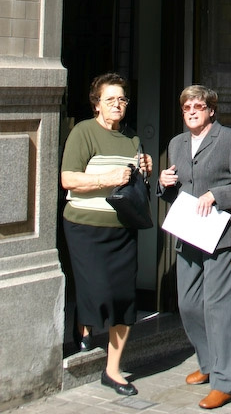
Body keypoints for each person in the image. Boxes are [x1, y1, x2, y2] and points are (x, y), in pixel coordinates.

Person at [158, 85, 231, 410]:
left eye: (198, 107)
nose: (191, 112)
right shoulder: (176, 144)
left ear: (211, 110)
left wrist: (217, 194)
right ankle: (208, 363)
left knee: (220, 308)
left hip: (222, 237)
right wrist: (163, 184)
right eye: (186, 107)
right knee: (188, 305)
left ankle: (224, 381)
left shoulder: (230, 139)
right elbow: (176, 190)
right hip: (189, 234)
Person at [61, 73, 153, 397]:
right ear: (96, 104)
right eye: (110, 99)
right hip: (85, 227)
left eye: (122, 99)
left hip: (122, 229)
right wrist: (107, 178)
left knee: (124, 299)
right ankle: (83, 322)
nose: (117, 104)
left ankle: (112, 371)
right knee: (97, 289)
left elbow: (132, 183)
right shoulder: (83, 132)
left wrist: (144, 169)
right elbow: (68, 179)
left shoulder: (131, 138)